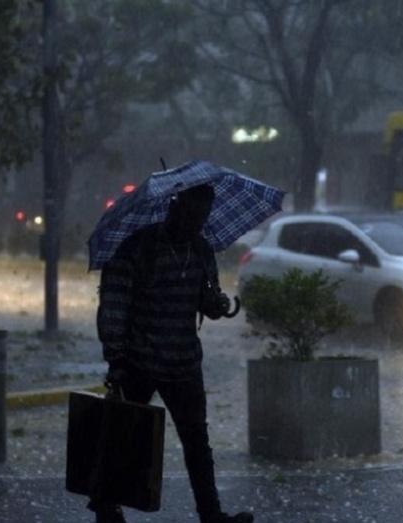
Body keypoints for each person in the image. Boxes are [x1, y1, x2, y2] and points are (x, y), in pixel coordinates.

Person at [90, 183, 254, 523]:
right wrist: (116, 359)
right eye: (193, 212)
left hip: (185, 363)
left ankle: (211, 514)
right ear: (176, 207)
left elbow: (207, 300)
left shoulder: (201, 249)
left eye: (203, 215)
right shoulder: (138, 248)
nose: (197, 221)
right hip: (138, 361)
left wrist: (218, 305)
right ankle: (106, 508)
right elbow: (114, 305)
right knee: (124, 436)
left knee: (197, 443)